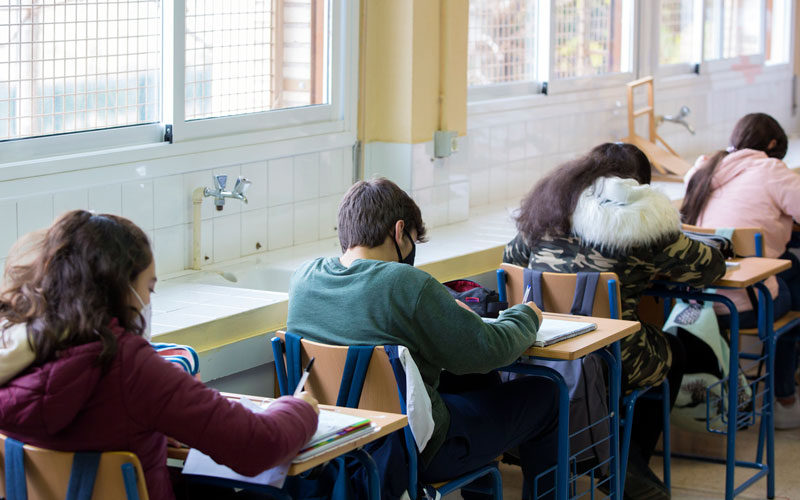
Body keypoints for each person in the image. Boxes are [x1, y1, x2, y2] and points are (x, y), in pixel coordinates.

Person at [0, 210, 319, 500]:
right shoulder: (128, 365)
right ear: (122, 289)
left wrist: (146, 425)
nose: (147, 302)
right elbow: (257, 447)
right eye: (148, 289)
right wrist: (301, 408)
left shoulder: (13, 354)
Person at [287, 178, 559, 499]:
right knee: (548, 393)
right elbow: (489, 348)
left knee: (477, 381)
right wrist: (526, 316)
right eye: (414, 240)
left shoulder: (304, 279)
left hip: (336, 443)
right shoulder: (407, 283)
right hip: (414, 450)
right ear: (399, 231)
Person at [503, 143, 727, 499]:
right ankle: (625, 461)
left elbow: (511, 260)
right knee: (674, 352)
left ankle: (614, 457)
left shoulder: (548, 212)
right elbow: (708, 269)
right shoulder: (640, 220)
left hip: (541, 351)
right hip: (609, 354)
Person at [681, 112, 800, 429]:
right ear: (772, 145)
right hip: (745, 303)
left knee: (790, 267)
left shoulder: (704, 169)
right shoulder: (770, 169)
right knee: (796, 285)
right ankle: (784, 397)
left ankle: (751, 390)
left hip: (694, 303)